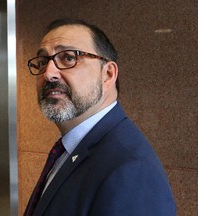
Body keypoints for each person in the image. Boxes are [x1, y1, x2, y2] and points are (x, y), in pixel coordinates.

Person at [24, 18, 176, 216]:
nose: (49, 73)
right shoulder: (70, 149)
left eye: (69, 58)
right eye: (43, 62)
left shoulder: (132, 171)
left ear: (108, 74)